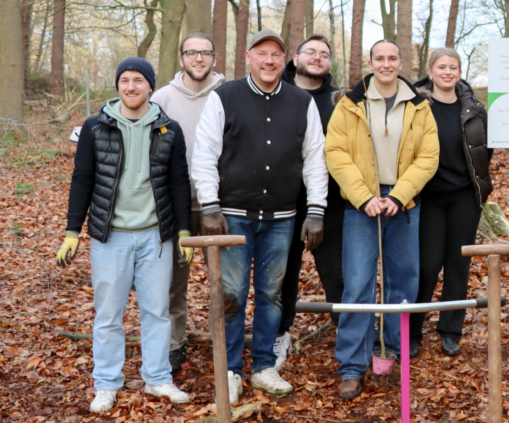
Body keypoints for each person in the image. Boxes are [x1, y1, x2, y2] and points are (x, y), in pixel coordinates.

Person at [191, 29, 329, 404]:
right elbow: (204, 152)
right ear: (249, 57)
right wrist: (210, 205)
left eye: (276, 55)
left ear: (285, 61)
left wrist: (315, 211)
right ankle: (232, 369)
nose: (269, 61)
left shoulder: (301, 102)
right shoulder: (225, 97)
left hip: (282, 218)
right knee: (232, 294)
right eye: (262, 54)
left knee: (271, 293)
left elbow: (315, 158)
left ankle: (264, 365)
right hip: (233, 215)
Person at [57, 57, 193, 412]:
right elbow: (82, 178)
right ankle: (105, 383)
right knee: (107, 314)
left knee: (157, 312)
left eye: (138, 81)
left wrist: (182, 229)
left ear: (150, 86)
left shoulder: (169, 129)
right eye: (125, 81)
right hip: (110, 237)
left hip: (156, 237)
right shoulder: (95, 127)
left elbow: (179, 182)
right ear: (118, 86)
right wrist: (73, 230)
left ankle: (158, 378)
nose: (131, 87)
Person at [325, 39, 439, 399]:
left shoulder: (420, 106)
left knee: (402, 283)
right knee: (358, 284)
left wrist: (400, 196)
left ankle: (392, 355)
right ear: (370, 63)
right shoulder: (349, 103)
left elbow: (428, 157)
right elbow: (336, 152)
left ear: (401, 62)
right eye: (380, 58)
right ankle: (352, 366)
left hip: (404, 205)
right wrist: (363, 198)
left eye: (392, 58)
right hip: (362, 205)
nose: (386, 64)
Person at [149, 32, 226, 375]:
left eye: (205, 53)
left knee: (222, 281)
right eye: (191, 53)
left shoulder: (228, 95)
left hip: (218, 204)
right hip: (175, 204)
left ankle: (221, 341)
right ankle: (173, 344)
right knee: (172, 281)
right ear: (181, 59)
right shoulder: (162, 98)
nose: (199, 58)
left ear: (214, 58)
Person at [410, 47, 493, 358]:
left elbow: (484, 149)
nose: (448, 72)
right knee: (428, 266)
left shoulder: (473, 108)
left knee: (458, 265)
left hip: (464, 197)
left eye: (453, 67)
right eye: (442, 67)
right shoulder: (417, 105)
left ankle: (450, 331)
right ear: (430, 71)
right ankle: (414, 330)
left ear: (460, 72)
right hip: (428, 197)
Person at [273, 33, 346, 370]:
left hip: (329, 201)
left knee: (336, 271)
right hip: (281, 199)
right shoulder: (276, 93)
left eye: (324, 54)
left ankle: (348, 333)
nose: (317, 58)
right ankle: (279, 332)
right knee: (282, 272)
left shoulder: (340, 101)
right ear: (296, 57)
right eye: (310, 52)